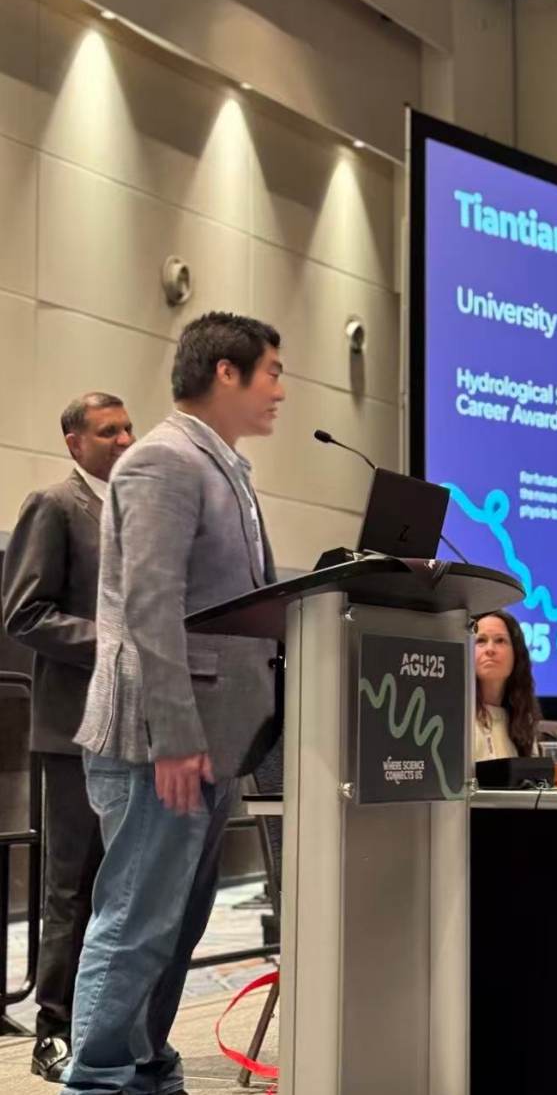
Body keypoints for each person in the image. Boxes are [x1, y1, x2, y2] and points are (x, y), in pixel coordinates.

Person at [60, 313, 285, 1095]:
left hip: (210, 740)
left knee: (174, 926)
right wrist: (175, 735)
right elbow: (151, 606)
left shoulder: (224, 466)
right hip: (158, 740)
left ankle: (144, 1067)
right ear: (226, 372)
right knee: (135, 923)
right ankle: (98, 1079)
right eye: (272, 372)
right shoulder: (163, 460)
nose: (281, 390)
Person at [1, 394, 134, 1083]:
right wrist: (113, 642)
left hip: (135, 725)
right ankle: (53, 1028)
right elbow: (24, 613)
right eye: (107, 430)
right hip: (76, 726)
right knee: (71, 884)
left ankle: (104, 1024)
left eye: (127, 427)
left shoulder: (135, 511)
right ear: (73, 442)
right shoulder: (53, 505)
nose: (123, 438)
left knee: (123, 883)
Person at [473, 610, 540, 761]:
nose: (490, 649)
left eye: (500, 641)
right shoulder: (456, 717)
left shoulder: (523, 719)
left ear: (516, 655)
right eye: (481, 641)